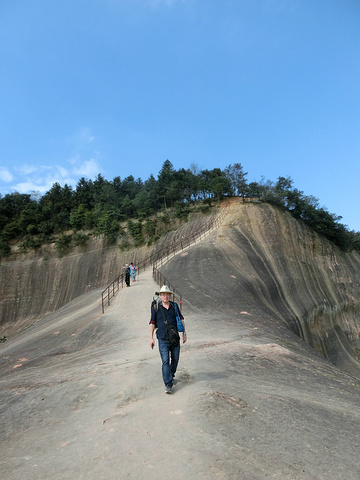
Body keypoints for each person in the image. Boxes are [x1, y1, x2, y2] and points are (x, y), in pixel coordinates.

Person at [149, 285, 187, 394]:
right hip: (162, 338)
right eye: (163, 294)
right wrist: (151, 338)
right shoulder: (156, 308)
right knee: (165, 361)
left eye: (167, 294)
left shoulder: (174, 306)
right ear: (160, 296)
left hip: (174, 338)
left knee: (175, 360)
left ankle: (171, 374)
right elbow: (152, 323)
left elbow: (181, 319)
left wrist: (184, 332)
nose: (166, 296)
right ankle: (168, 384)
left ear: (170, 296)